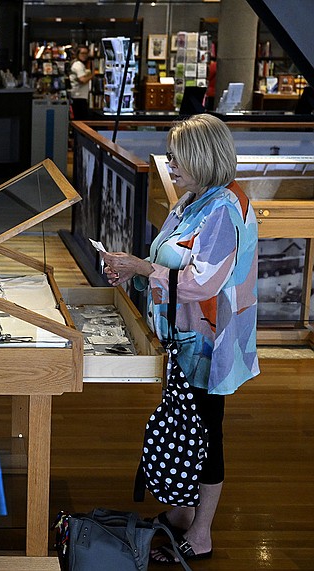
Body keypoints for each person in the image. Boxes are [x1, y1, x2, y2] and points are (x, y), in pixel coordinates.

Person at [101, 114, 260, 564]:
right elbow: (165, 261)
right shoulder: (192, 199)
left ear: (203, 158)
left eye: (177, 157)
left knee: (206, 433)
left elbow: (200, 282)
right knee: (186, 425)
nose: (170, 164)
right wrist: (132, 275)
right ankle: (182, 512)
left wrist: (141, 268)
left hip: (211, 343)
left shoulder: (227, 208)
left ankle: (202, 532)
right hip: (187, 338)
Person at [69, 45, 93, 120]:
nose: (84, 56)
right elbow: (82, 80)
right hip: (78, 98)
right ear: (77, 54)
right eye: (82, 53)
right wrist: (92, 75)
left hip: (80, 97)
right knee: (81, 121)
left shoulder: (81, 65)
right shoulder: (78, 65)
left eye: (86, 53)